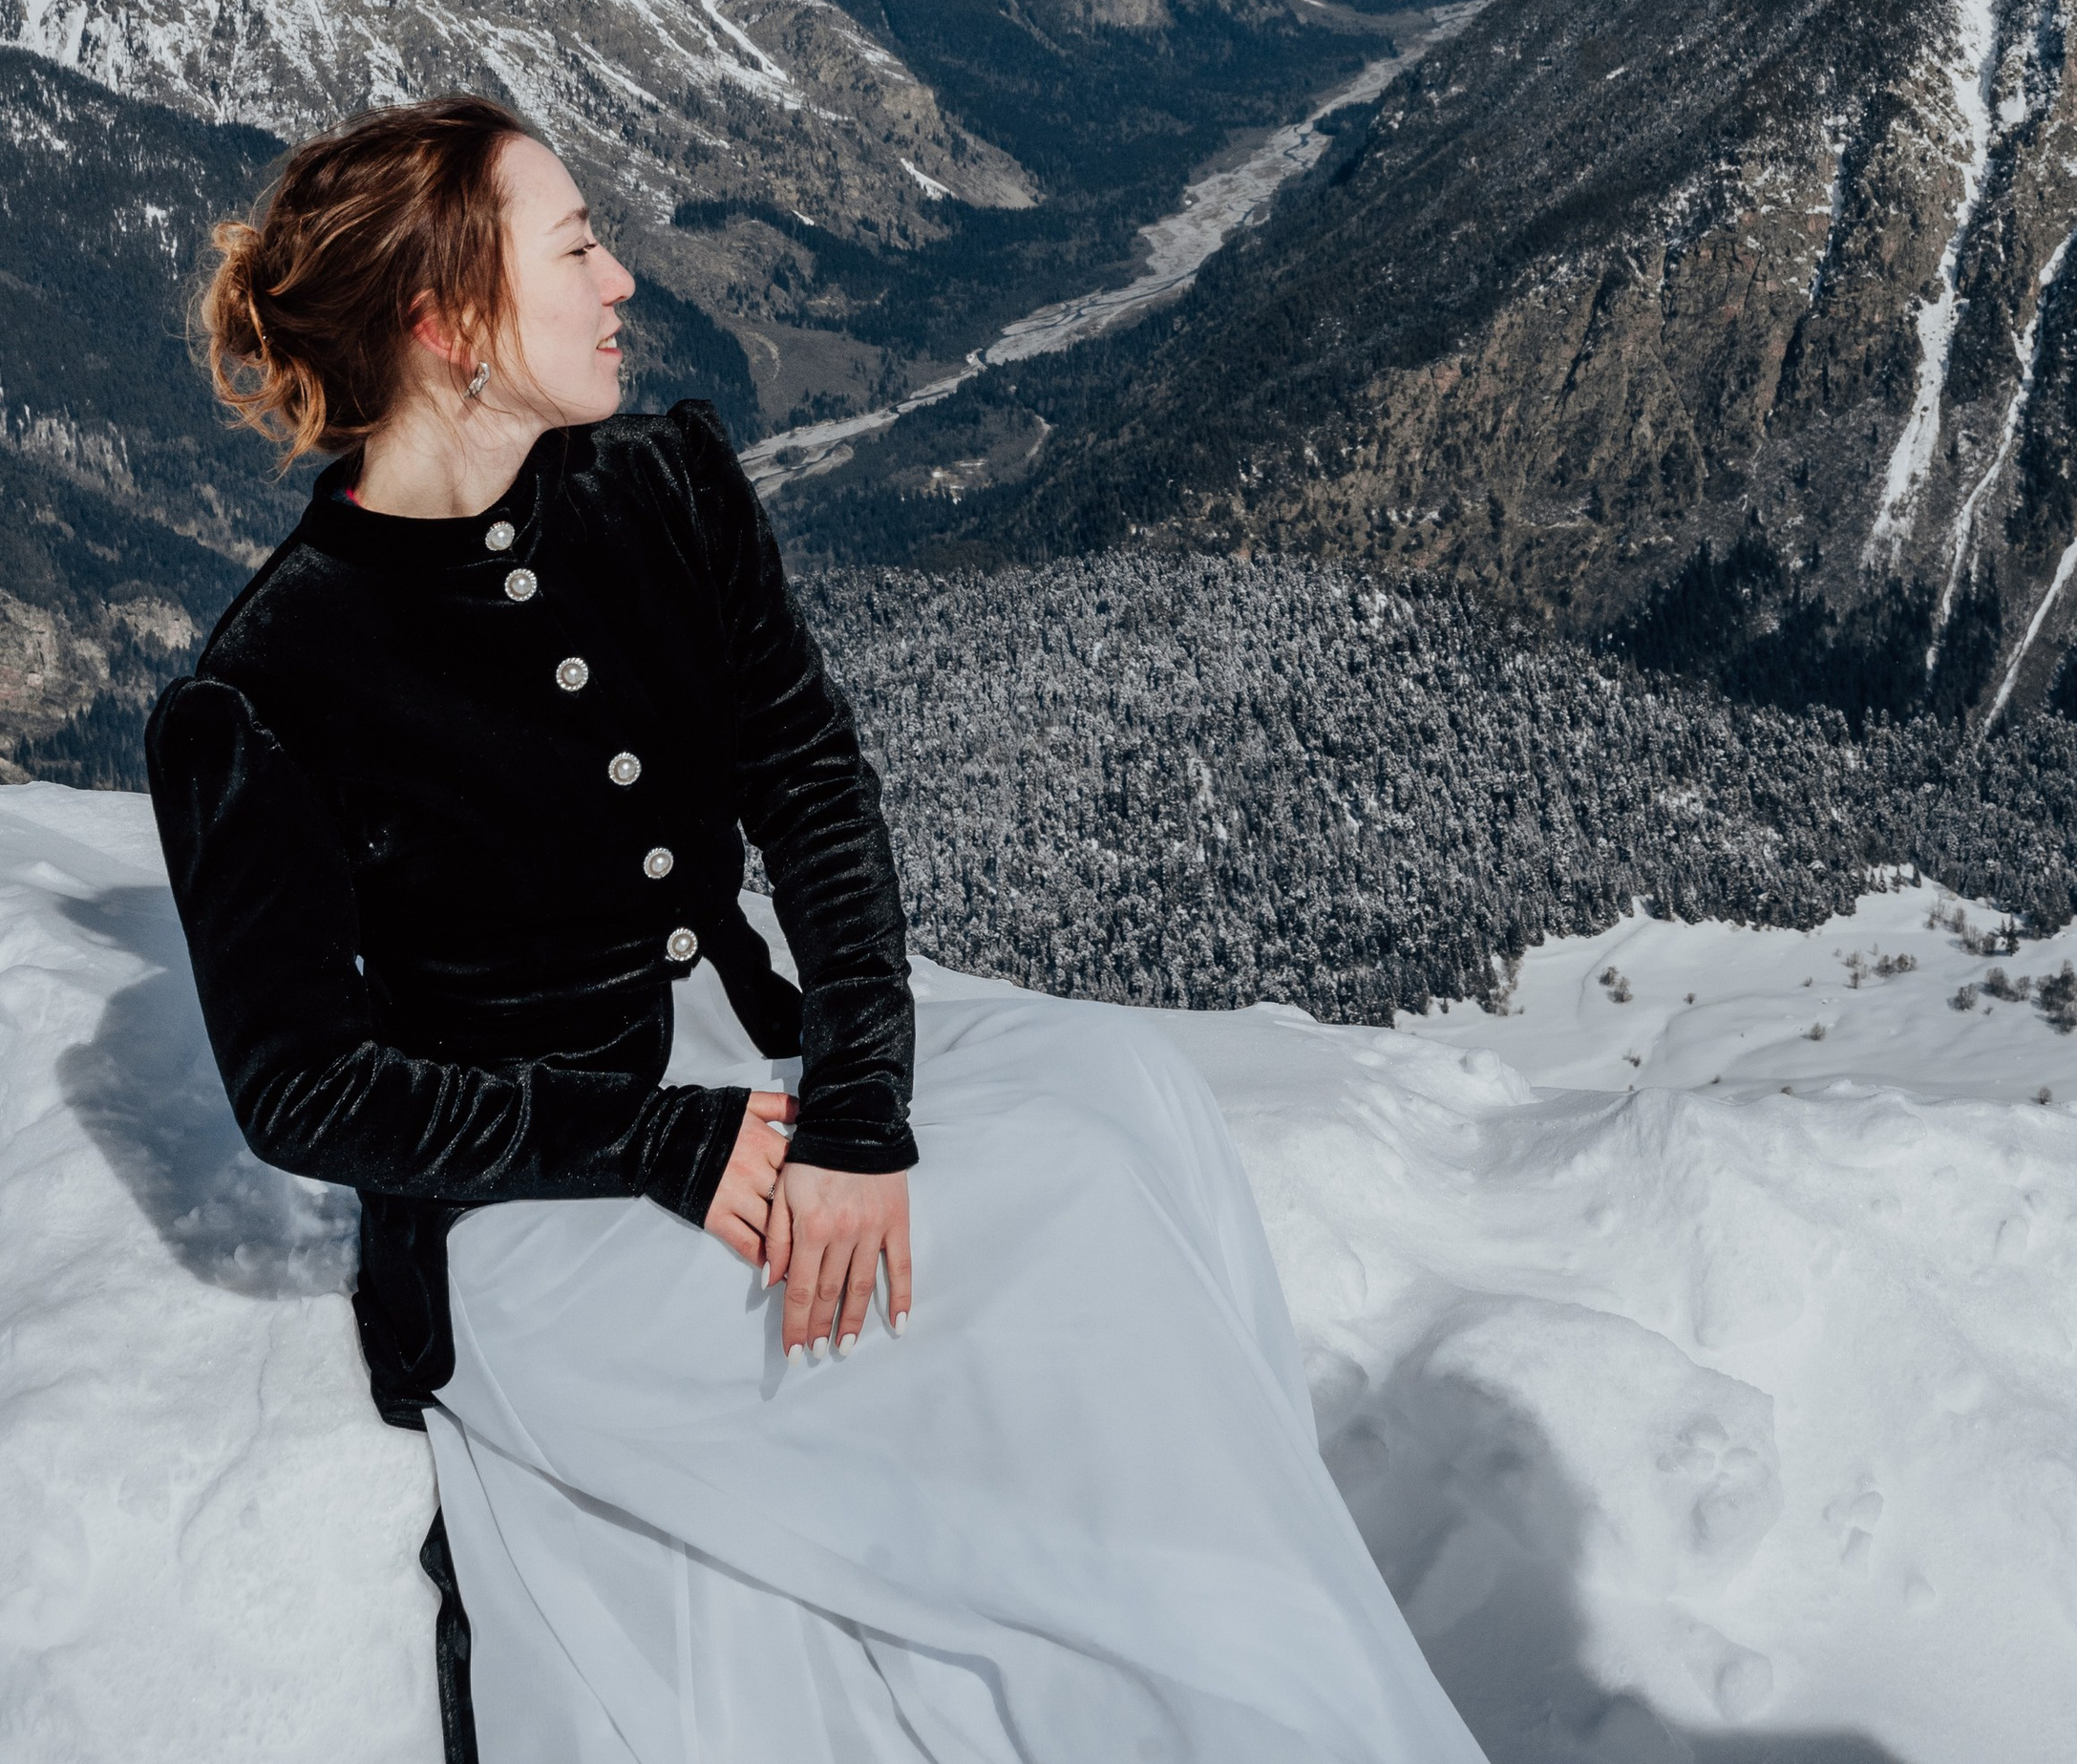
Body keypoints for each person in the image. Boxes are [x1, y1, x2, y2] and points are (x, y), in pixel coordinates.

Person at [147, 93, 1485, 1762]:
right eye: (575, 246)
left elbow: (812, 790)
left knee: (1135, 1098)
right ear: (451, 326)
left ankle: (1266, 1663)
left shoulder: (667, 481)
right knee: (1066, 1231)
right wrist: (664, 1144)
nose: (624, 274)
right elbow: (310, 1094)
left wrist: (857, 1102)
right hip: (541, 1209)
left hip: (756, 1041)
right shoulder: (265, 688)